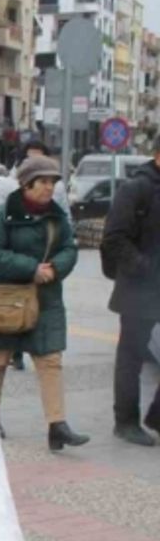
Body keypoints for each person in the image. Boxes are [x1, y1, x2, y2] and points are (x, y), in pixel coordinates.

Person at [0, 156, 90, 448]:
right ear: (27, 184)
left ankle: (57, 425)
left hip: (46, 299)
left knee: (50, 361)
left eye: (53, 182)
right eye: (43, 182)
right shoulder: (2, 216)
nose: (49, 188)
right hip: (7, 300)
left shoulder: (57, 217)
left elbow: (69, 248)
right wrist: (31, 268)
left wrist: (54, 268)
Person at [101, 145, 160, 446]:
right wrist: (144, 267)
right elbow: (114, 238)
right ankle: (125, 421)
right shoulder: (137, 188)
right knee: (131, 357)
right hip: (140, 287)